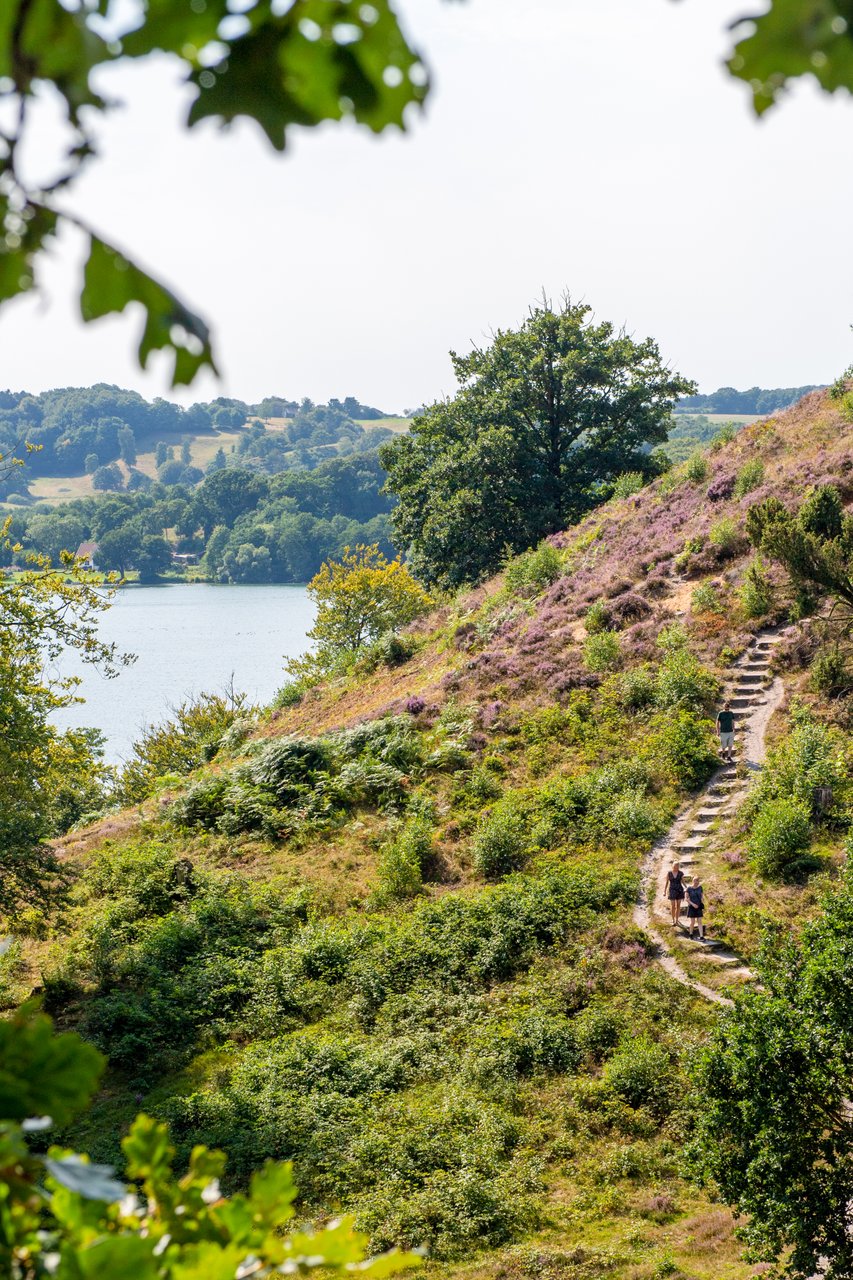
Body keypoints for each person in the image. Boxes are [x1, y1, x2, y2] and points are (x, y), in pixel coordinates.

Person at [665, 861, 686, 926]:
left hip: (679, 890)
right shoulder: (669, 873)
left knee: (678, 906)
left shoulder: (680, 873)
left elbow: (683, 882)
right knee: (673, 906)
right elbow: (667, 882)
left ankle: (676, 920)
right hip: (672, 890)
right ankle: (673, 919)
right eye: (674, 867)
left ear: (678, 867)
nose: (676, 868)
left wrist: (686, 887)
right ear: (672, 866)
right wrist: (664, 891)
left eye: (677, 867)